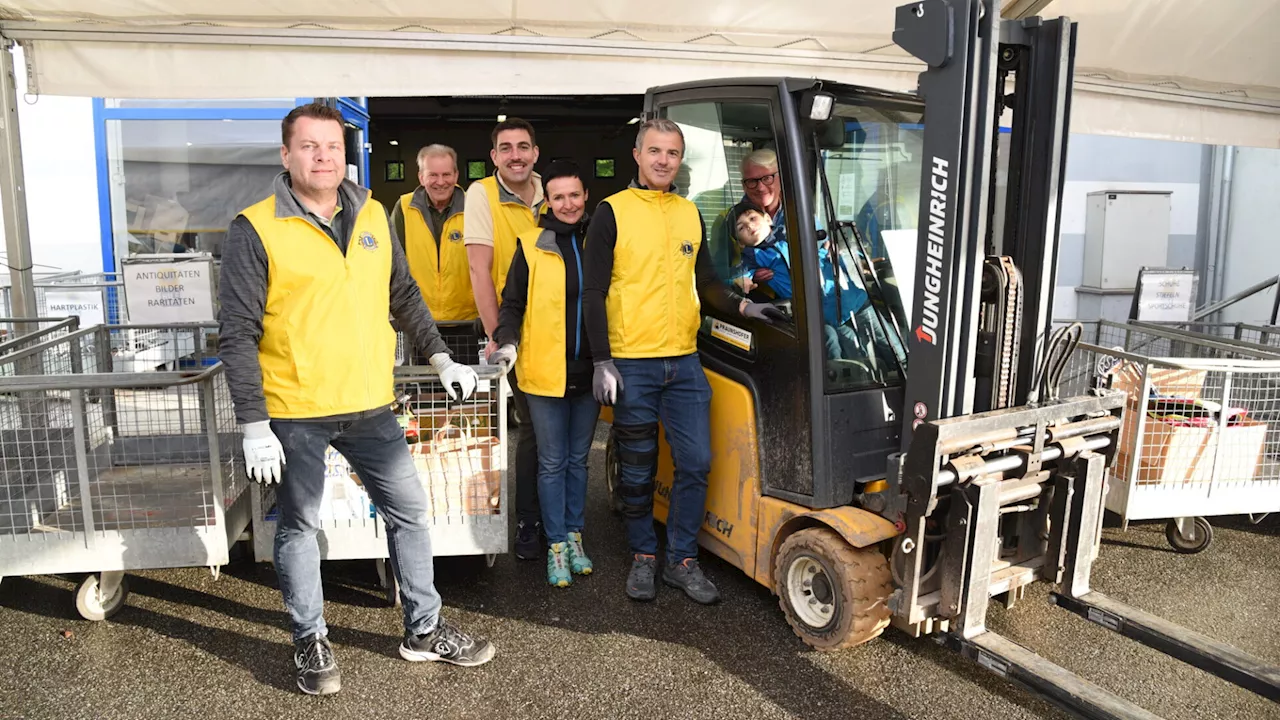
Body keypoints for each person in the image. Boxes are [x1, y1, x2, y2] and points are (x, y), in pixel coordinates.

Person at [218, 103, 494, 697]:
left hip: (370, 402)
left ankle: (423, 630)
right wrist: (252, 422)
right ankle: (310, 638)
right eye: (310, 146)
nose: (324, 156)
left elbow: (402, 292)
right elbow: (236, 333)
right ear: (286, 155)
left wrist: (440, 356)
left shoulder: (370, 212)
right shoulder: (255, 227)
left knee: (411, 513)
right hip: (295, 411)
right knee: (299, 526)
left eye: (333, 146)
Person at [583, 119, 784, 604]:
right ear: (637, 154)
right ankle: (643, 557)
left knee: (696, 462)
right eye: (654, 151)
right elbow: (592, 291)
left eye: (672, 154)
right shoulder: (612, 212)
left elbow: (708, 282)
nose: (662, 161)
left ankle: (681, 559)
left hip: (684, 363)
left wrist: (743, 307)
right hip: (632, 362)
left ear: (678, 160)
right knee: (636, 467)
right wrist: (601, 360)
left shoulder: (689, 213)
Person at [489, 160, 598, 588]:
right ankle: (554, 544)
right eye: (558, 197)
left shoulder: (599, 242)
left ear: (585, 196)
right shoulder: (530, 243)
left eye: (575, 195)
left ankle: (574, 536)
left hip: (590, 372)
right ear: (546, 202)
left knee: (578, 461)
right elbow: (512, 303)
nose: (568, 204)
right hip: (543, 373)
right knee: (551, 462)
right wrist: (507, 340)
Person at [464, 118, 545, 560]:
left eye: (524, 147)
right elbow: (480, 270)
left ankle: (559, 522)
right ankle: (527, 522)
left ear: (535, 153)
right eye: (506, 148)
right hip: (514, 333)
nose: (516, 155)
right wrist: (499, 335)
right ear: (494, 157)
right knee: (531, 430)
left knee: (556, 434)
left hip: (556, 334)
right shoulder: (482, 194)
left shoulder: (550, 192)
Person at [389, 144, 476, 328]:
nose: (440, 181)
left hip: (466, 321)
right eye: (433, 175)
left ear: (456, 175)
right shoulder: (404, 208)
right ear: (421, 177)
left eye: (446, 174)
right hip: (418, 322)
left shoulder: (475, 207)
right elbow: (393, 265)